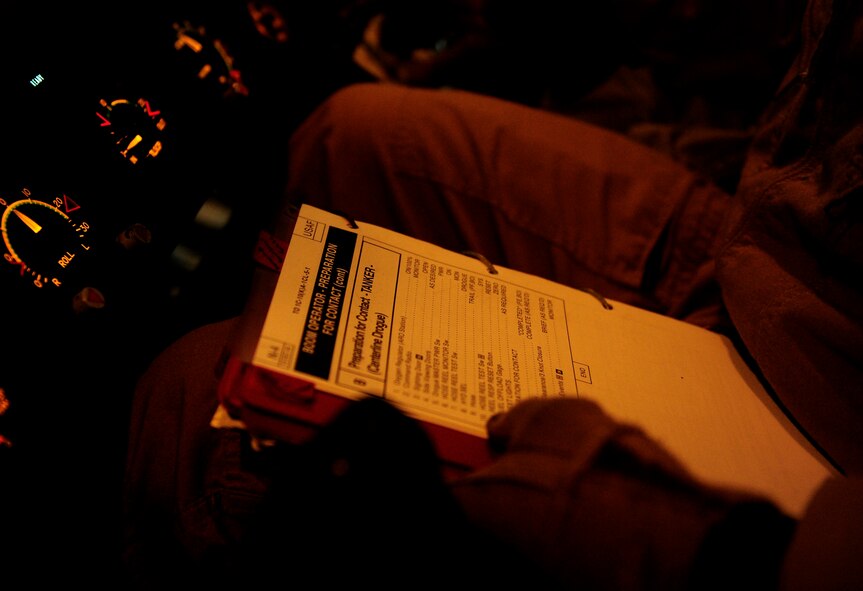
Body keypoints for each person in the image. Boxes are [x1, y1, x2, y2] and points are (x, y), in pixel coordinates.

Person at [121, 0, 863, 589]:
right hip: (776, 249)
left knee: (191, 396)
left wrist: (693, 543)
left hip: (819, 444)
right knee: (350, 130)